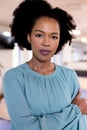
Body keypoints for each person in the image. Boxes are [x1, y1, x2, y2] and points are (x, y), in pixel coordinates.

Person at [3, 0, 87, 130]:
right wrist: (74, 111)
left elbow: (80, 123)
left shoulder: (69, 76)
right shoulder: (14, 77)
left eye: (53, 37)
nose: (46, 43)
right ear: (29, 37)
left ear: (60, 40)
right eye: (39, 35)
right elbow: (26, 128)